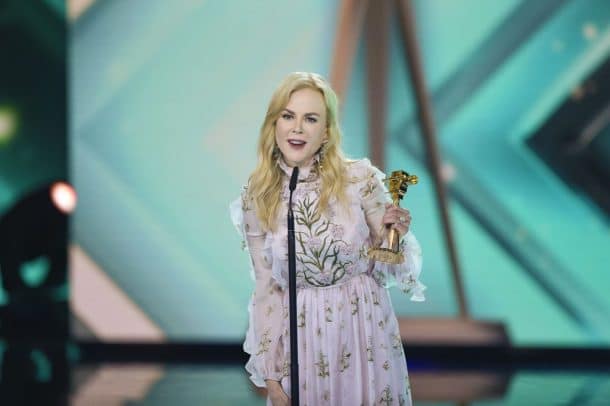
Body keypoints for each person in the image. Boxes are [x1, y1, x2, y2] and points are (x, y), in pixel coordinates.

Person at [230, 72, 425, 406]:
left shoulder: (359, 178)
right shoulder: (259, 194)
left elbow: (390, 262)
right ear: (274, 124)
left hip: (363, 333)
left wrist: (396, 235)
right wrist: (272, 378)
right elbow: (266, 289)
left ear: (325, 132)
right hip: (301, 342)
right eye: (288, 116)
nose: (297, 128)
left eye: (310, 119)